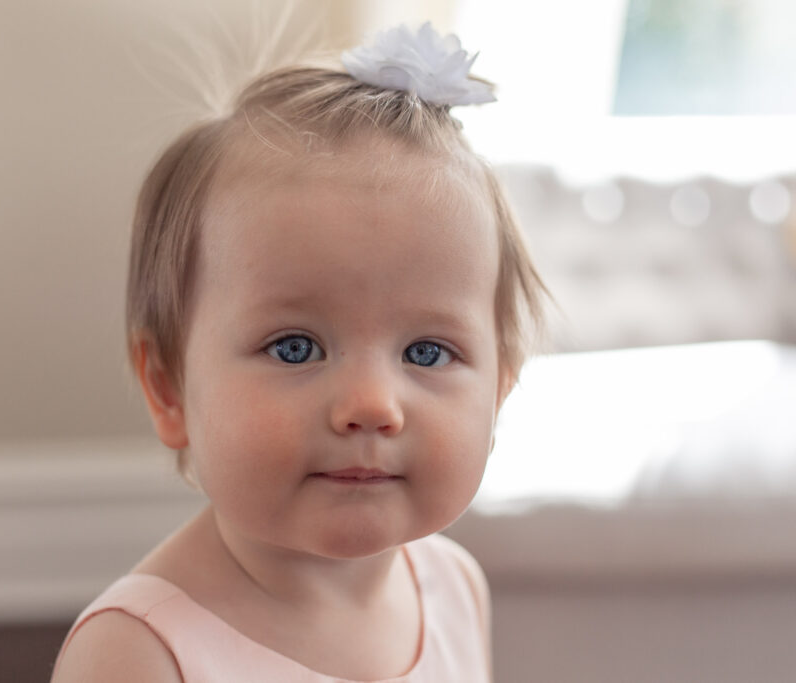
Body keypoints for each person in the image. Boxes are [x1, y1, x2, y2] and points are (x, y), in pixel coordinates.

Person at [51, 22, 545, 683]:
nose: (372, 405)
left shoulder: (453, 588)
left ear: (500, 390)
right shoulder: (138, 654)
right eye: (295, 347)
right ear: (168, 388)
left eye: (427, 352)